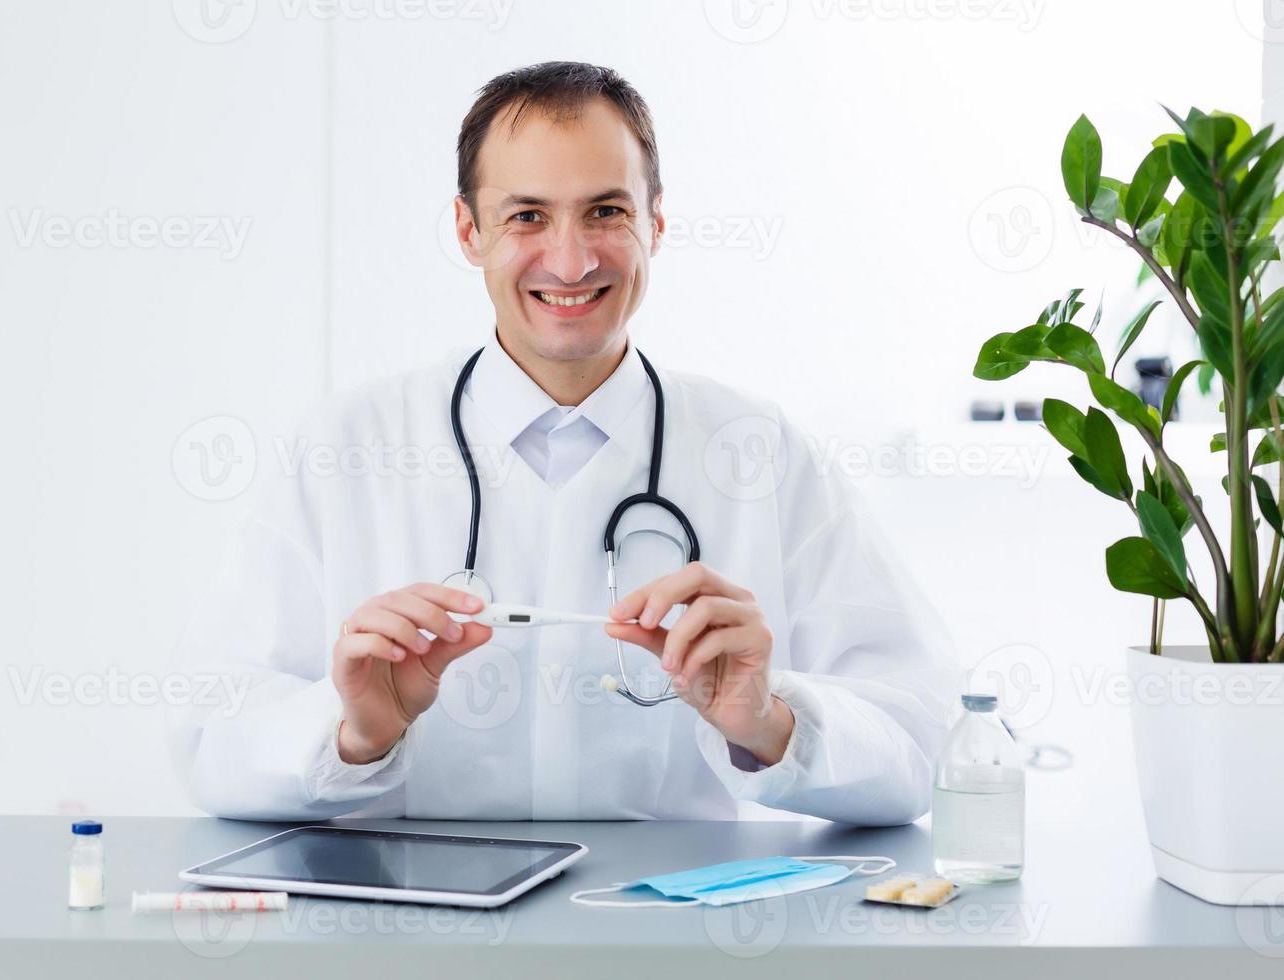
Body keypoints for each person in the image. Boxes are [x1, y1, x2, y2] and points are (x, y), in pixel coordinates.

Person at [169, 61, 956, 825]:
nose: (572, 260)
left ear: (656, 221)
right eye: (527, 215)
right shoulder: (348, 446)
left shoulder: (759, 451)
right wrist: (355, 733)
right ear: (468, 230)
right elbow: (210, 742)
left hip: (669, 946)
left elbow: (924, 744)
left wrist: (767, 722)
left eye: (607, 212)